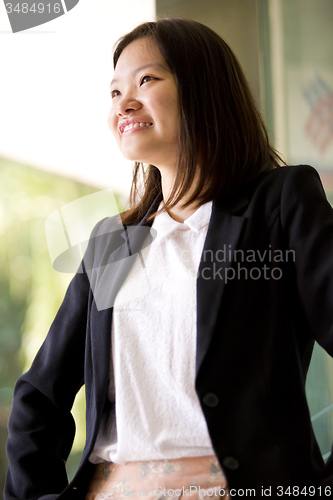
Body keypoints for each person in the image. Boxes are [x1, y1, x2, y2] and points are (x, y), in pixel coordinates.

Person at [4, 17, 333, 500]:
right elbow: (38, 398)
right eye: (114, 91)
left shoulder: (281, 204)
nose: (124, 102)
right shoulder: (112, 241)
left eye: (147, 80)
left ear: (203, 90)